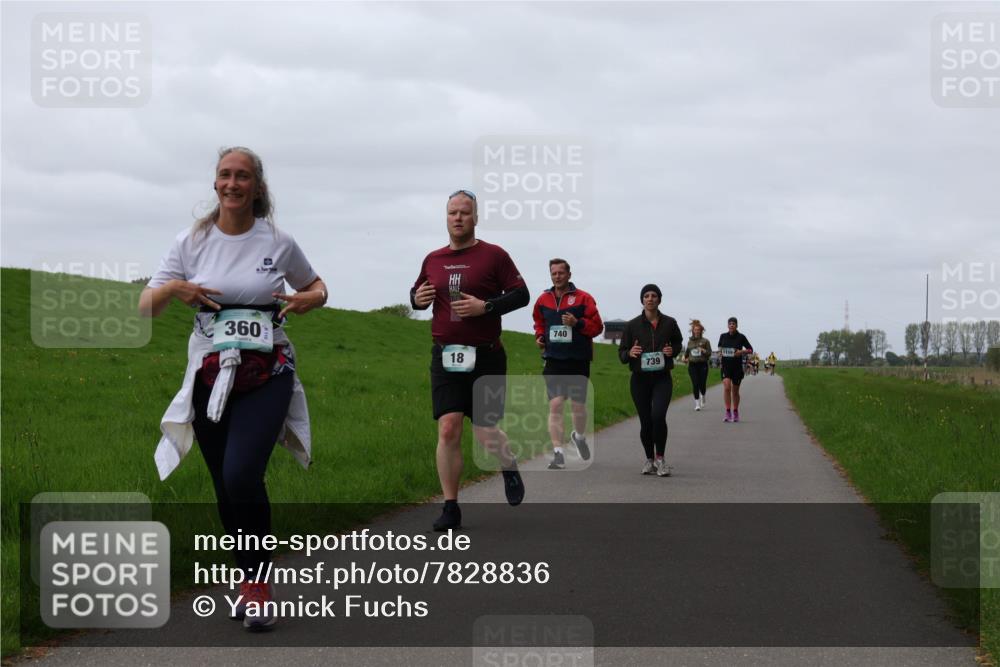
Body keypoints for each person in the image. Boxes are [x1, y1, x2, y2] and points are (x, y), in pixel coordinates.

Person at [141, 147, 327, 631]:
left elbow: (318, 287)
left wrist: (311, 298)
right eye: (225, 175)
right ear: (216, 184)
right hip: (209, 373)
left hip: (270, 368)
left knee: (244, 472)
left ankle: (259, 587)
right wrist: (173, 290)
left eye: (242, 176)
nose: (232, 183)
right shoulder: (191, 241)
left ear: (257, 186)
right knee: (225, 483)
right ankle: (247, 578)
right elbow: (147, 306)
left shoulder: (278, 241)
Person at [410, 189, 529, 531]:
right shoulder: (433, 259)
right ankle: (450, 507)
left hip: (487, 357)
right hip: (446, 356)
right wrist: (417, 299)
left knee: (485, 432)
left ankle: (507, 463)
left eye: (464, 212)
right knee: (448, 428)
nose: (458, 218)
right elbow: (417, 294)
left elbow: (521, 295)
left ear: (476, 217)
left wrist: (486, 307)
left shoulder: (494, 255)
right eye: (452, 213)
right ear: (446, 217)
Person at [532, 258, 604, 469]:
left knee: (577, 406)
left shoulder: (583, 298)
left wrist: (577, 323)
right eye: (553, 273)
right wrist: (540, 337)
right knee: (555, 405)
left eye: (561, 273)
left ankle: (579, 436)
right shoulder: (543, 299)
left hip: (578, 360)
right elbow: (539, 321)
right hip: (553, 360)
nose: (557, 277)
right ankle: (558, 453)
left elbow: (598, 327)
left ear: (569, 275)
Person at [617, 285, 683, 477]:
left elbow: (678, 343)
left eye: (654, 295)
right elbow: (621, 354)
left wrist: (674, 351)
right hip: (640, 380)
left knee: (658, 416)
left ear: (659, 299)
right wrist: (629, 353)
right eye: (646, 296)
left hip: (662, 378)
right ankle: (649, 460)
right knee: (646, 422)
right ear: (642, 300)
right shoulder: (632, 325)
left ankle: (661, 459)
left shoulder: (670, 323)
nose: (650, 299)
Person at [717, 317, 753, 423]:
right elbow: (719, 347)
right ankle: (728, 412)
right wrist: (720, 353)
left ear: (737, 326)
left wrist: (741, 352)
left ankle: (735, 411)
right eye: (730, 324)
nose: (731, 325)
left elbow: (750, 349)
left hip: (737, 367)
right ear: (727, 325)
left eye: (733, 324)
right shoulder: (723, 336)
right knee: (727, 387)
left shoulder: (741, 337)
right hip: (725, 366)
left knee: (735, 391)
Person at [682, 319, 712, 411]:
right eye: (695, 329)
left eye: (698, 330)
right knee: (695, 384)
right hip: (692, 365)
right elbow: (686, 353)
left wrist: (703, 350)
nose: (697, 331)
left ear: (701, 331)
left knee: (702, 384)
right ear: (693, 331)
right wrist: (684, 357)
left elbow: (709, 353)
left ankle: (703, 395)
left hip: (703, 365)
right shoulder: (689, 342)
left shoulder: (705, 341)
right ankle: (697, 404)